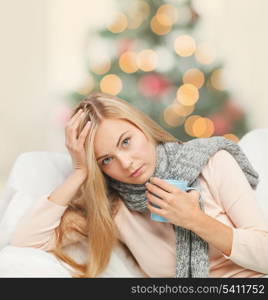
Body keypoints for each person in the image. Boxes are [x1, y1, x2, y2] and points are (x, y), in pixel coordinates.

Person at [9, 92, 268, 278]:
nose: (126, 163)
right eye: (107, 159)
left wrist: (195, 220)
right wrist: (79, 172)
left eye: (125, 142)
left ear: (141, 127)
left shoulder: (211, 162)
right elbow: (25, 242)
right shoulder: (114, 209)